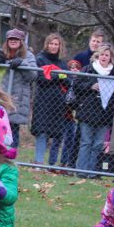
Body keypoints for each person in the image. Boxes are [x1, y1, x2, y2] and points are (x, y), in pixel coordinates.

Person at [73, 45, 114, 173]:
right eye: (102, 54)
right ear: (97, 55)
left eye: (107, 55)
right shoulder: (87, 69)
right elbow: (76, 86)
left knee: (98, 145)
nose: (104, 57)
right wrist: (90, 86)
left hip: (104, 115)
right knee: (86, 143)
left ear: (110, 58)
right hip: (87, 112)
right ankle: (81, 171)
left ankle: (93, 172)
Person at [32, 33, 69, 165]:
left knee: (57, 134)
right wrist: (58, 76)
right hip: (43, 101)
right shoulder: (40, 59)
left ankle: (52, 164)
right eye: (51, 43)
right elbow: (41, 79)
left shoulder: (63, 63)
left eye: (56, 44)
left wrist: (54, 75)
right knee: (41, 132)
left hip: (58, 103)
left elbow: (68, 81)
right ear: (47, 44)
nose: (53, 46)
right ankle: (38, 162)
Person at [1, 29, 37, 148]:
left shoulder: (28, 56)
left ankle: (10, 159)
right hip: (0, 96)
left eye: (16, 39)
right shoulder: (0, 53)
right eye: (11, 39)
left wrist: (22, 64)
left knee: (12, 130)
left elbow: (33, 76)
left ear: (21, 41)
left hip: (18, 98)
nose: (13, 41)